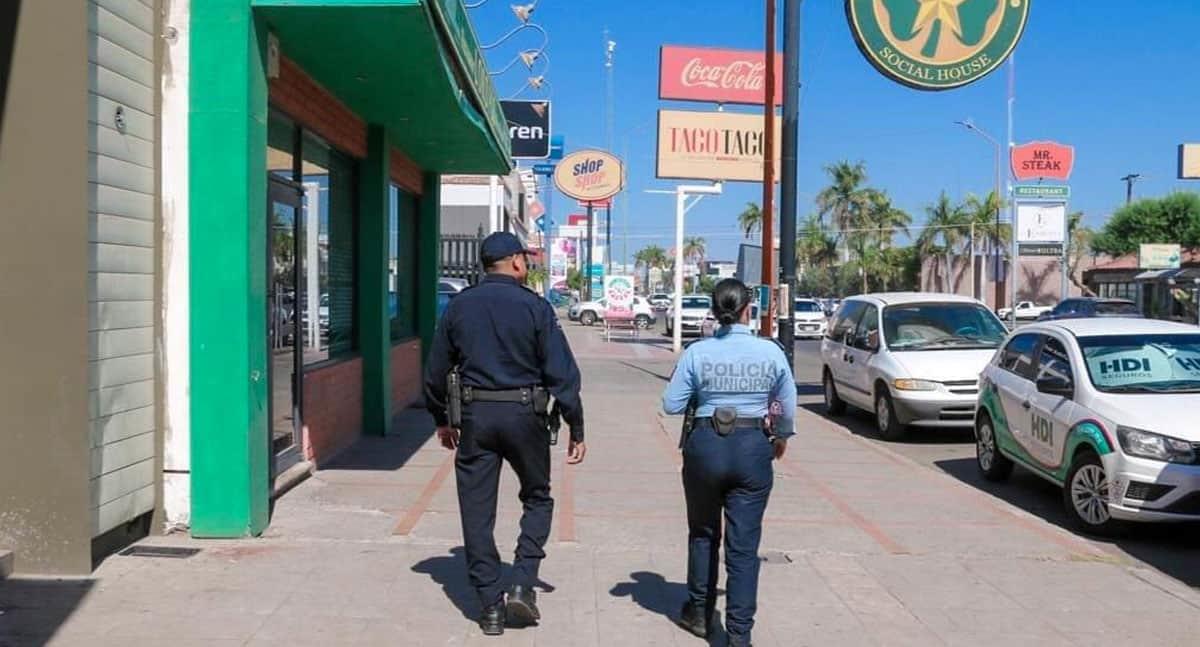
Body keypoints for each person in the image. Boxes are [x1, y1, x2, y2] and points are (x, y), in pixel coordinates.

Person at [424, 232, 586, 637]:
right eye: (525, 259)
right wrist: (575, 425)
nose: (527, 265)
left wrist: (441, 418)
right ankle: (522, 579)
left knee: (477, 511)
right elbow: (562, 373)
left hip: (476, 417)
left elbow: (434, 371)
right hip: (525, 416)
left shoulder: (459, 307)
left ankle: (490, 605)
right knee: (537, 496)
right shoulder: (536, 307)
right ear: (515, 262)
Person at [661, 278, 796, 647]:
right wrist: (781, 435)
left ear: (714, 310)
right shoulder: (770, 352)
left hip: (705, 447)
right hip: (753, 446)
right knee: (743, 547)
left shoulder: (697, 352)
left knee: (704, 533)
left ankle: (700, 613)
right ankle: (739, 635)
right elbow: (785, 403)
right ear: (747, 309)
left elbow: (671, 404)